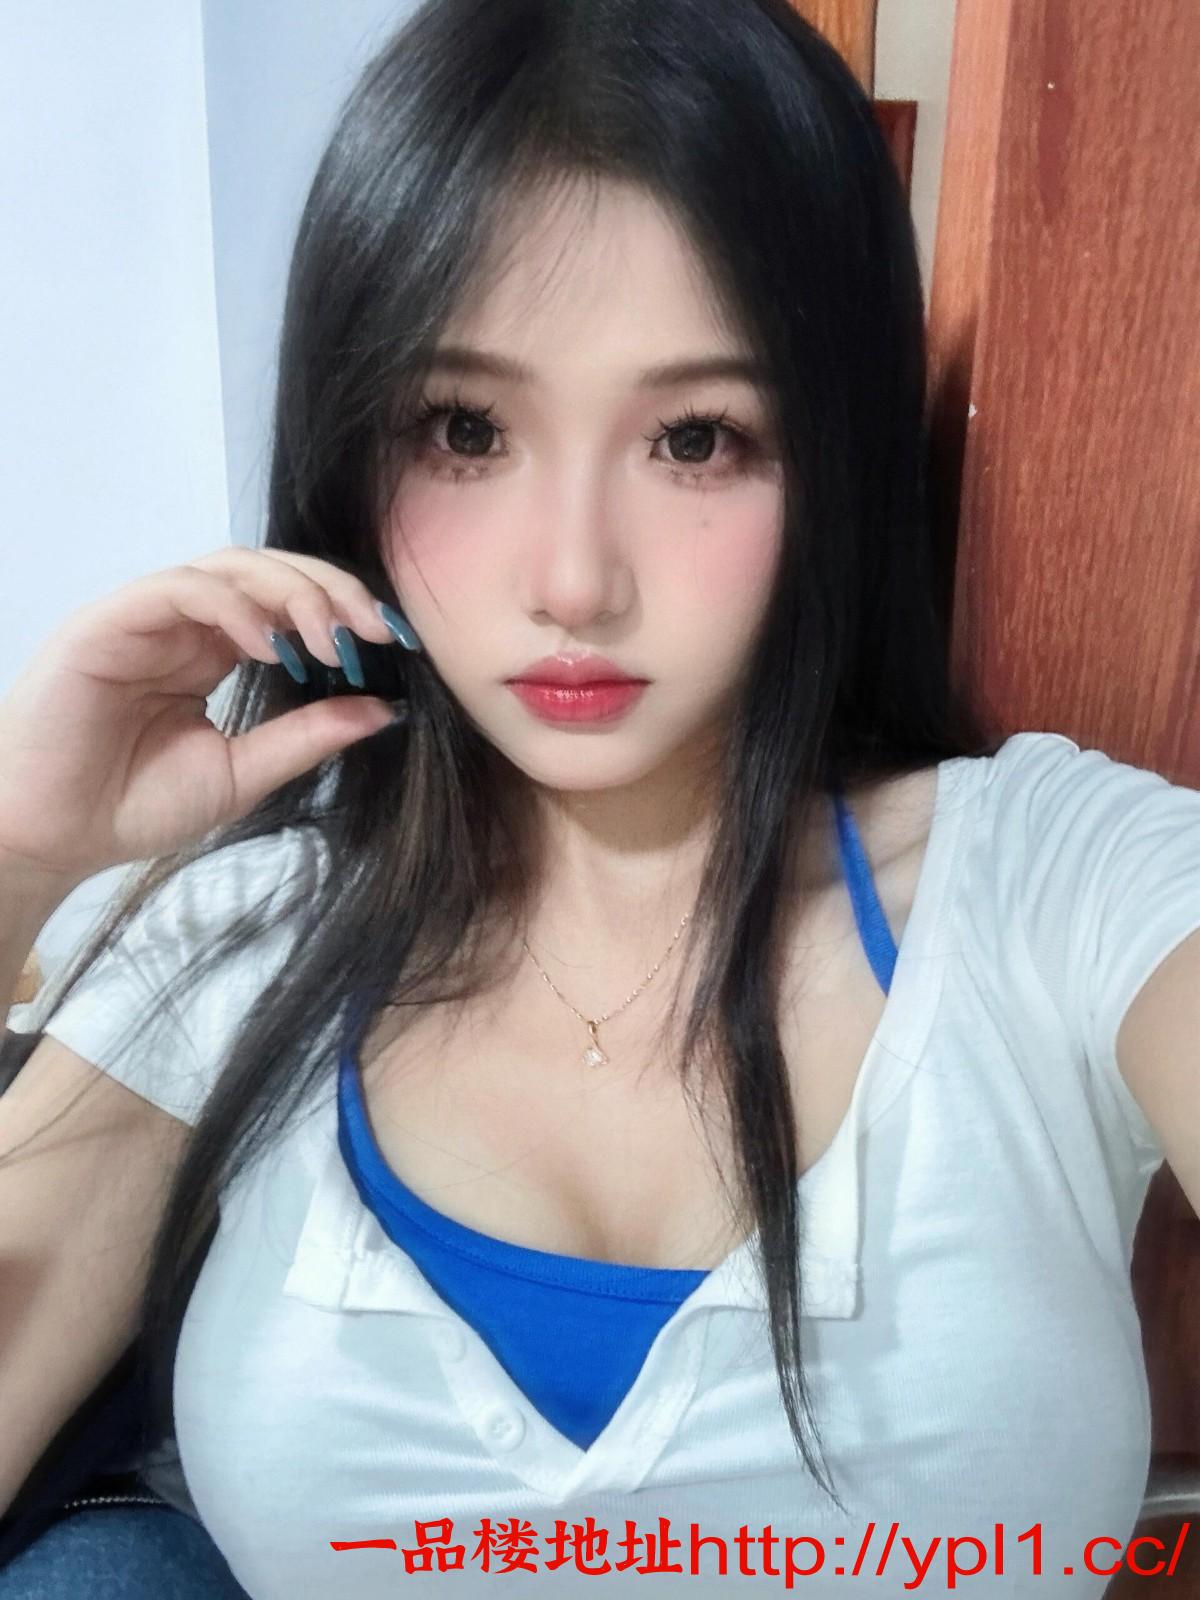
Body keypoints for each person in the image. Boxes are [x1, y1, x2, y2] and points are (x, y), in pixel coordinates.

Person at [1, 0, 1198, 1594]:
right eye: (467, 430)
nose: (573, 580)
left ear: (832, 457)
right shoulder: (239, 945)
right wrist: (16, 859)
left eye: (696, 437)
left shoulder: (1056, 886)